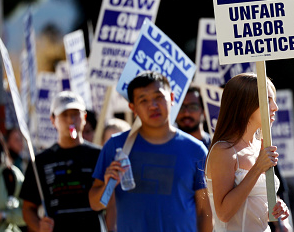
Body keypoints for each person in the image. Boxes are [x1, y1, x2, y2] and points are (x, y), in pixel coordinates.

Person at [89, 71, 213, 232]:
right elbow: (95, 203)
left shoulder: (196, 150)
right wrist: (108, 185)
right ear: (133, 108)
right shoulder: (116, 146)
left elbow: (204, 212)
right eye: (143, 100)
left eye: (158, 97)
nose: (153, 105)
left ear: (172, 98)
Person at [206, 72, 291, 232]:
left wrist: (275, 207)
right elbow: (224, 213)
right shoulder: (223, 151)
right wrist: (258, 168)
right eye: (268, 101)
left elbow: (251, 208)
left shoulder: (259, 145)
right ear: (245, 105)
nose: (275, 107)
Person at [19, 91, 107, 232]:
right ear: (53, 120)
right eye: (64, 115)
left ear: (84, 117)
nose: (70, 120)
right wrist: (39, 226)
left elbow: (112, 200)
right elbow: (28, 208)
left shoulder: (100, 155)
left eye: (75, 114)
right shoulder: (40, 161)